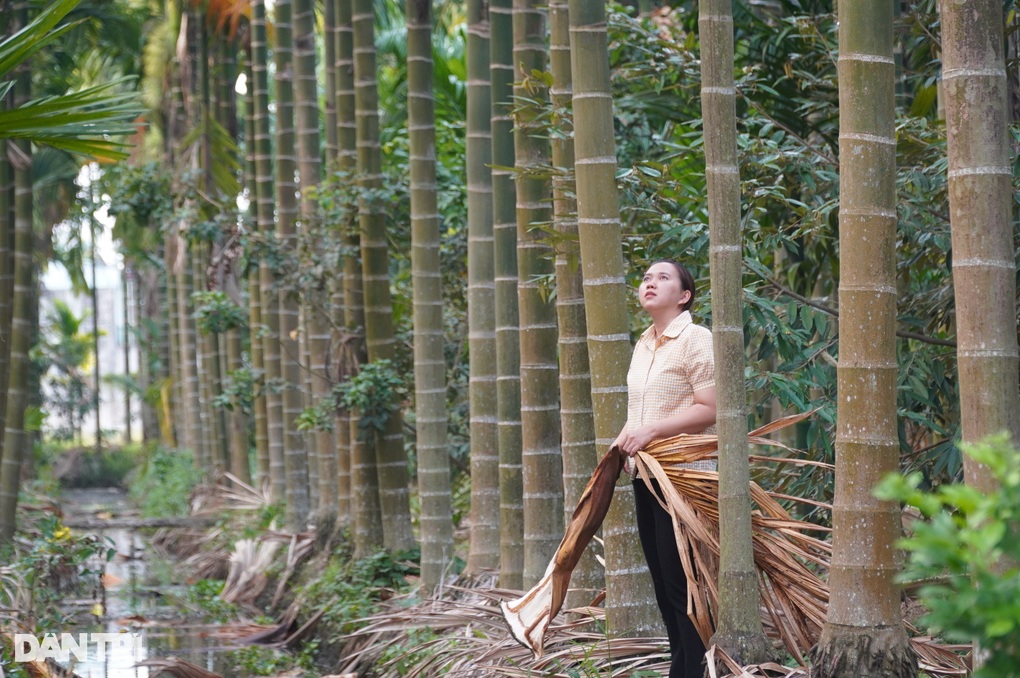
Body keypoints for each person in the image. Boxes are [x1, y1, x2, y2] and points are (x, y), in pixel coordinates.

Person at [612, 259, 717, 678]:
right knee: (661, 580)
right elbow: (642, 409)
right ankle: (681, 667)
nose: (650, 282)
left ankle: (694, 670)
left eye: (663, 278)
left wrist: (649, 431)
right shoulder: (644, 343)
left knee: (681, 582)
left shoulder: (696, 338)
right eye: (646, 278)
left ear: (684, 295)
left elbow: (709, 410)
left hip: (684, 476)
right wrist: (623, 439)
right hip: (646, 475)